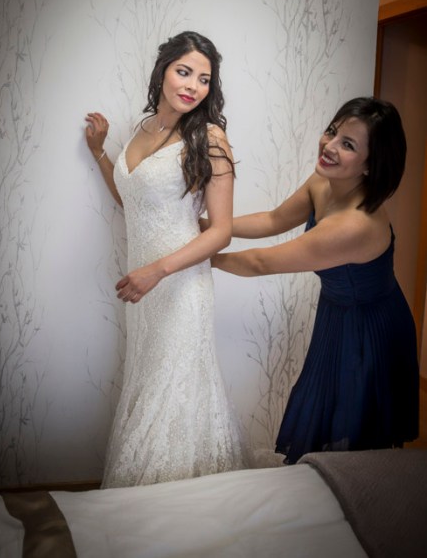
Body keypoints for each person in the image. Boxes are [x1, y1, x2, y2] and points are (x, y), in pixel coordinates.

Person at [210, 96, 419, 464]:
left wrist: (200, 254)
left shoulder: (354, 226)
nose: (329, 146)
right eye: (332, 131)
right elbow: (273, 220)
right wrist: (208, 226)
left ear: (371, 165)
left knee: (352, 430)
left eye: (348, 144)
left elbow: (260, 263)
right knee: (325, 409)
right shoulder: (324, 181)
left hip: (369, 329)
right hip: (336, 312)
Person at [85, 31, 245, 487]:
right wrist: (100, 153)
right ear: (162, 71)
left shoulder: (210, 138)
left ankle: (173, 499)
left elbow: (221, 232)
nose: (193, 86)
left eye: (204, 79)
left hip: (178, 286)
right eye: (184, 72)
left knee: (172, 391)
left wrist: (156, 271)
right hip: (144, 290)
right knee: (148, 380)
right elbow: (131, 201)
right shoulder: (143, 128)